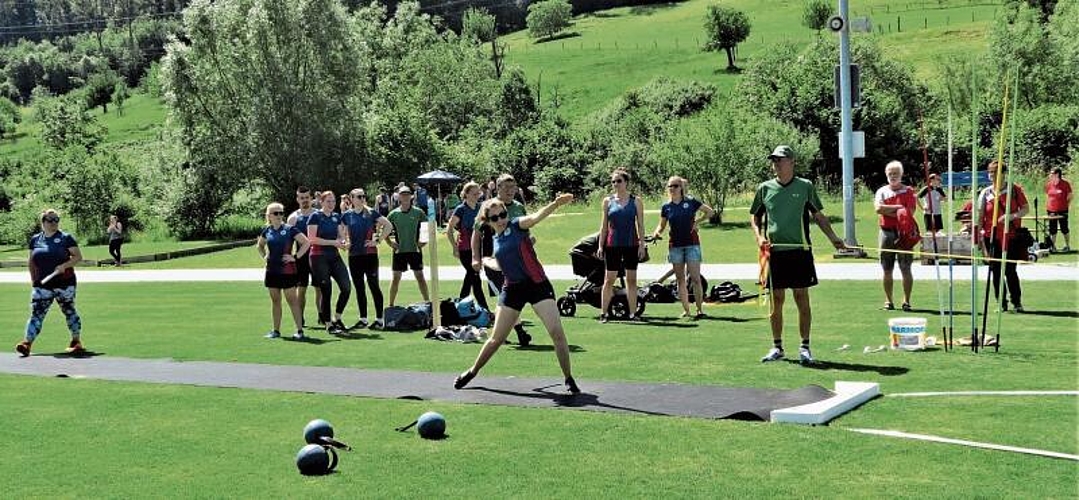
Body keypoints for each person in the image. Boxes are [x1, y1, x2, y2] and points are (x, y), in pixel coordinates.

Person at [453, 193, 581, 394]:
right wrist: (484, 261)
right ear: (489, 221)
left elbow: (535, 217)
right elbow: (498, 260)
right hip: (512, 289)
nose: (501, 220)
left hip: (537, 284)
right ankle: (472, 371)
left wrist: (555, 204)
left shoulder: (516, 225)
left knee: (556, 332)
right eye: (495, 218)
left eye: (502, 214)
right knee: (496, 339)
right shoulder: (495, 240)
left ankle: (568, 378)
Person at [750, 145, 846, 364]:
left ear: (792, 162)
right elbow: (754, 217)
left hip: (800, 251)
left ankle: (805, 347)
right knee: (777, 300)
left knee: (802, 298)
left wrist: (833, 238)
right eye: (774, 160)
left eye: (780, 160)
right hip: (774, 253)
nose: (776, 164)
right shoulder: (764, 188)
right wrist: (758, 238)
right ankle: (777, 347)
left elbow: (818, 216)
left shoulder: (805, 186)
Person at [470, 174, 532, 346]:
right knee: (505, 296)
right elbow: (476, 234)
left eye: (512, 187)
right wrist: (476, 258)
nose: (510, 191)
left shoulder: (519, 207)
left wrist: (529, 243)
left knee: (509, 298)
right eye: (506, 187)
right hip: (494, 260)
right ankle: (519, 332)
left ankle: (506, 333)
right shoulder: (488, 206)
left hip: (517, 261)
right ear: (497, 188)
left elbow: (526, 230)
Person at [15, 209, 86, 357]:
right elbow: (31, 262)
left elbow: (78, 257)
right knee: (37, 313)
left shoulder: (66, 238)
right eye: (50, 220)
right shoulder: (35, 239)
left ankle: (76, 341)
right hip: (43, 284)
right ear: (43, 222)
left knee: (69, 311)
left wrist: (64, 266)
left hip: (64, 283)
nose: (54, 223)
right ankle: (27, 343)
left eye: (56, 219)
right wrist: (34, 280)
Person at [651, 176, 715, 319]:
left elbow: (710, 212)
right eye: (670, 186)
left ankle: (699, 310)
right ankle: (686, 310)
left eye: (675, 186)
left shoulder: (690, 202)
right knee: (680, 279)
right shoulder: (666, 207)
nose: (672, 189)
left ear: (681, 188)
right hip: (675, 246)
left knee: (695, 278)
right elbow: (661, 225)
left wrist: (697, 222)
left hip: (692, 244)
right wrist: (657, 232)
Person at [977, 160, 1029, 312]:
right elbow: (980, 217)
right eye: (990, 172)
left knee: (1010, 270)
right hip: (991, 237)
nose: (992, 175)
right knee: (995, 271)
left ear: (1004, 174)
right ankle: (1001, 303)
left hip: (1010, 236)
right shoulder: (985, 193)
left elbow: (1025, 209)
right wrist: (979, 237)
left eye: (996, 172)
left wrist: (1011, 216)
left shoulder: (1014, 190)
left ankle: (1017, 302)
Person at [597, 168, 646, 323]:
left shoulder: (636, 201)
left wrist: (642, 245)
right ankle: (604, 313)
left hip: (631, 244)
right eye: (613, 181)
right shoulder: (608, 201)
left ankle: (632, 313)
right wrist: (600, 245)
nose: (616, 184)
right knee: (609, 280)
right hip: (612, 245)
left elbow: (640, 225)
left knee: (631, 280)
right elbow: (604, 225)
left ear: (626, 182)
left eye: (619, 181)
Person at [257, 202, 311, 339]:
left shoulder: (290, 229)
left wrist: (295, 257)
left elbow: (306, 242)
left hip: (288, 271)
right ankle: (276, 330)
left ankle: (299, 331)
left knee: (292, 301)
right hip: (272, 271)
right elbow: (260, 246)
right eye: (276, 213)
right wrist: (265, 256)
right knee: (275, 301)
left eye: (281, 213)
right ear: (269, 216)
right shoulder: (267, 231)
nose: (279, 215)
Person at [342, 188, 390, 329]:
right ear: (352, 199)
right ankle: (363, 319)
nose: (362, 198)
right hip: (354, 255)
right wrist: (344, 241)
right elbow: (341, 231)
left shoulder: (370, 212)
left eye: (363, 196)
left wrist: (378, 240)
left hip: (369, 255)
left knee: (374, 286)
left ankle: (379, 319)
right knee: (359, 288)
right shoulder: (347, 215)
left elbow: (388, 225)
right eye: (359, 196)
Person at [875, 161, 918, 311]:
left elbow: (910, 212)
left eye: (896, 174)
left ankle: (906, 300)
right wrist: (899, 208)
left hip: (904, 233)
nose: (893, 177)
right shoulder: (881, 191)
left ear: (901, 175)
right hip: (886, 232)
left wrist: (892, 211)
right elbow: (879, 209)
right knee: (887, 268)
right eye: (890, 174)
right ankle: (888, 300)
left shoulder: (909, 191)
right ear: (887, 175)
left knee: (905, 268)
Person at [307, 191, 352, 334]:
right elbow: (312, 239)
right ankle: (328, 324)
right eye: (328, 201)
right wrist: (334, 242)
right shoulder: (315, 216)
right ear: (322, 202)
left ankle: (337, 318)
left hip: (334, 256)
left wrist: (344, 243)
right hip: (318, 256)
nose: (331, 204)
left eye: (333, 201)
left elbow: (341, 235)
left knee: (346, 287)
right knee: (326, 291)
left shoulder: (336, 216)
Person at [385, 185, 430, 307]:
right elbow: (384, 229)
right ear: (398, 197)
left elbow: (426, 227)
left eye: (407, 194)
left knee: (420, 277)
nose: (405, 197)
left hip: (414, 250)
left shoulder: (418, 212)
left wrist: (423, 241)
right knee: (395, 279)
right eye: (402, 194)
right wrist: (389, 242)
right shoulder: (393, 214)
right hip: (399, 251)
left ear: (411, 196)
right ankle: (391, 305)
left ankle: (427, 303)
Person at [447, 182, 489, 310]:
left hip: (477, 248)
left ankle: (459, 307)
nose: (477, 195)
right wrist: (454, 247)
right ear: (466, 194)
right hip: (465, 248)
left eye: (478, 193)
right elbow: (449, 230)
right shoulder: (461, 209)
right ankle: (484, 309)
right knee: (474, 276)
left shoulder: (481, 208)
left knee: (471, 277)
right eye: (474, 193)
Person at [287, 186, 318, 326]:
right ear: (297, 199)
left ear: (311, 198)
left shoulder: (318, 215)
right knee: (302, 289)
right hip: (301, 259)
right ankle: (301, 318)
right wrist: (290, 258)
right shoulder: (293, 218)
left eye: (307, 197)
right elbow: (288, 242)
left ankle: (323, 316)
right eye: (302, 198)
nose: (305, 200)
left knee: (320, 288)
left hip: (318, 257)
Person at [1046, 167, 1072, 252]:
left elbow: (1070, 196)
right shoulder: (1049, 184)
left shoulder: (1065, 184)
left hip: (1062, 210)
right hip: (1051, 210)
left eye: (1052, 173)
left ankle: (1067, 246)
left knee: (1064, 228)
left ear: (1057, 174)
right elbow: (1048, 194)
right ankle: (1052, 247)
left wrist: (1066, 205)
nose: (1050, 175)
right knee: (1052, 229)